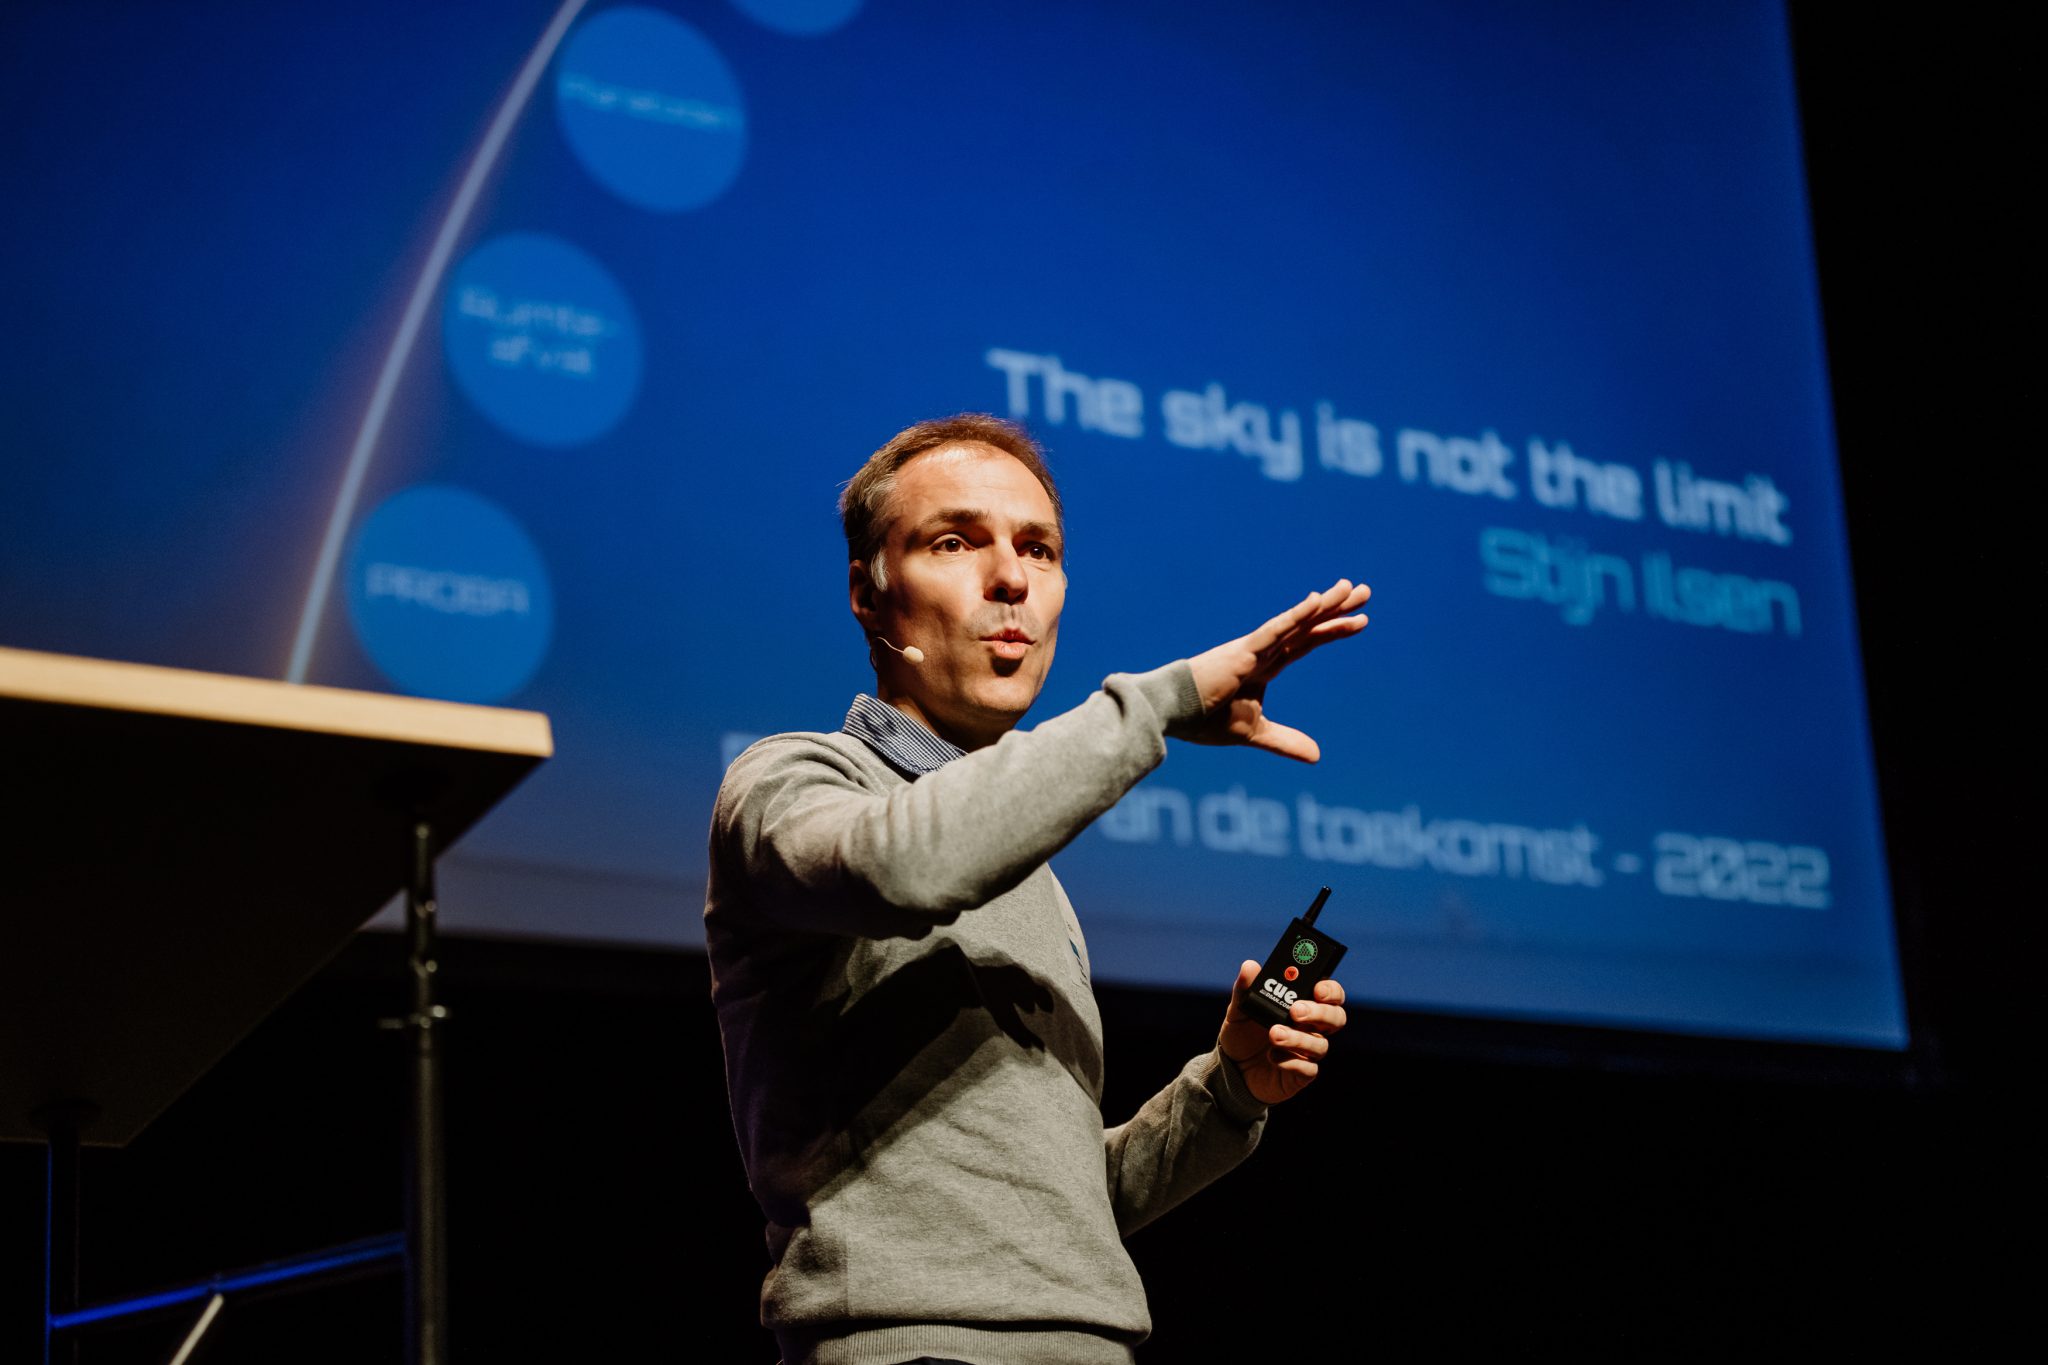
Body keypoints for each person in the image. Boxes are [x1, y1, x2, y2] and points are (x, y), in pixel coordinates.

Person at [705, 413, 1369, 1365]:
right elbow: (901, 866)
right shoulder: (789, 784)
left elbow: (1054, 1210)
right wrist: (1165, 698)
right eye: (954, 541)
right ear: (869, 590)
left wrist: (1229, 1087)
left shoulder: (1031, 872)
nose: (1012, 578)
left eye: (1039, 549)